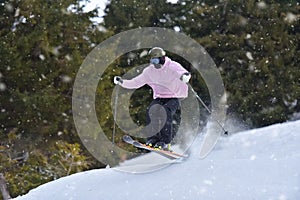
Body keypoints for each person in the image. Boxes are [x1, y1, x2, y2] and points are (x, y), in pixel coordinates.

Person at [114, 47, 191, 150]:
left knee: (165, 111)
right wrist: (122, 82)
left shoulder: (172, 66)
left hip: (175, 96)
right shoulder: (149, 71)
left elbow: (183, 72)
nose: (154, 63)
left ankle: (165, 142)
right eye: (152, 61)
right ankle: (153, 139)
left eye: (156, 60)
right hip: (160, 96)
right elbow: (136, 82)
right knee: (151, 111)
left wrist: (185, 76)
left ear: (162, 58)